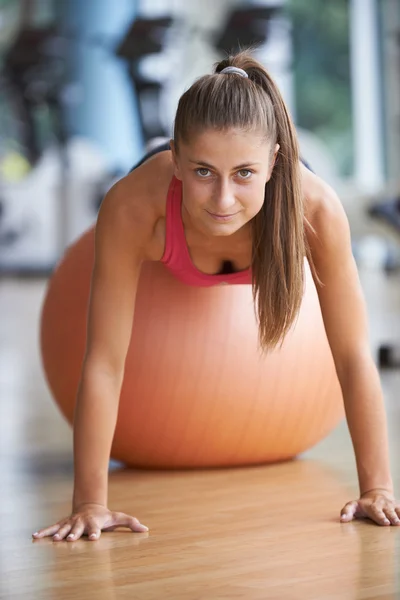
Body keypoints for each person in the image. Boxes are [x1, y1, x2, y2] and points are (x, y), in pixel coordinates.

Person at [32, 50, 399, 542]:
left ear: (273, 163)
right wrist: (90, 504)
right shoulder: (135, 207)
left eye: (244, 173)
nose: (223, 200)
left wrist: (378, 489)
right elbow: (103, 362)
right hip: (162, 199)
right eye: (203, 171)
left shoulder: (316, 210)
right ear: (177, 160)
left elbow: (353, 355)